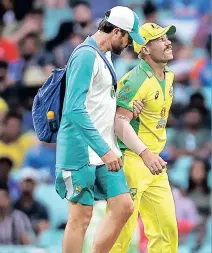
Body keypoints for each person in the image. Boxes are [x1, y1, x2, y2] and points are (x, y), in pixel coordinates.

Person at [55, 6, 144, 253]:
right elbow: (74, 109)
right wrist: (105, 150)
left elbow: (97, 102)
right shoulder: (86, 55)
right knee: (80, 218)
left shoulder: (103, 55)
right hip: (81, 151)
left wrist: (126, 110)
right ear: (116, 31)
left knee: (124, 206)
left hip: (104, 150)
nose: (128, 44)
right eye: (127, 37)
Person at [110, 23, 178, 253]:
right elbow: (119, 123)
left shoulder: (169, 76)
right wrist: (145, 154)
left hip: (154, 162)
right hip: (133, 160)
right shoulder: (135, 80)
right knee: (122, 231)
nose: (168, 41)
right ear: (145, 50)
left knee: (166, 229)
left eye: (166, 37)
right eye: (159, 39)